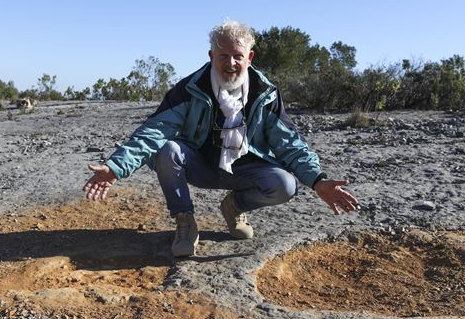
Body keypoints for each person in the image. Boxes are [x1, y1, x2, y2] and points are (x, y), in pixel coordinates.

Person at [83, 20, 359, 257]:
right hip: (200, 166)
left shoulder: (265, 94)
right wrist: (117, 167)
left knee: (284, 184)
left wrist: (318, 180)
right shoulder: (190, 89)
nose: (230, 64)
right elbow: (154, 131)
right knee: (167, 149)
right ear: (210, 55)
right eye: (222, 56)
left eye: (237, 56)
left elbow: (289, 144)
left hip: (244, 170)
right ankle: (185, 221)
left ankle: (234, 206)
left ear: (250, 57)